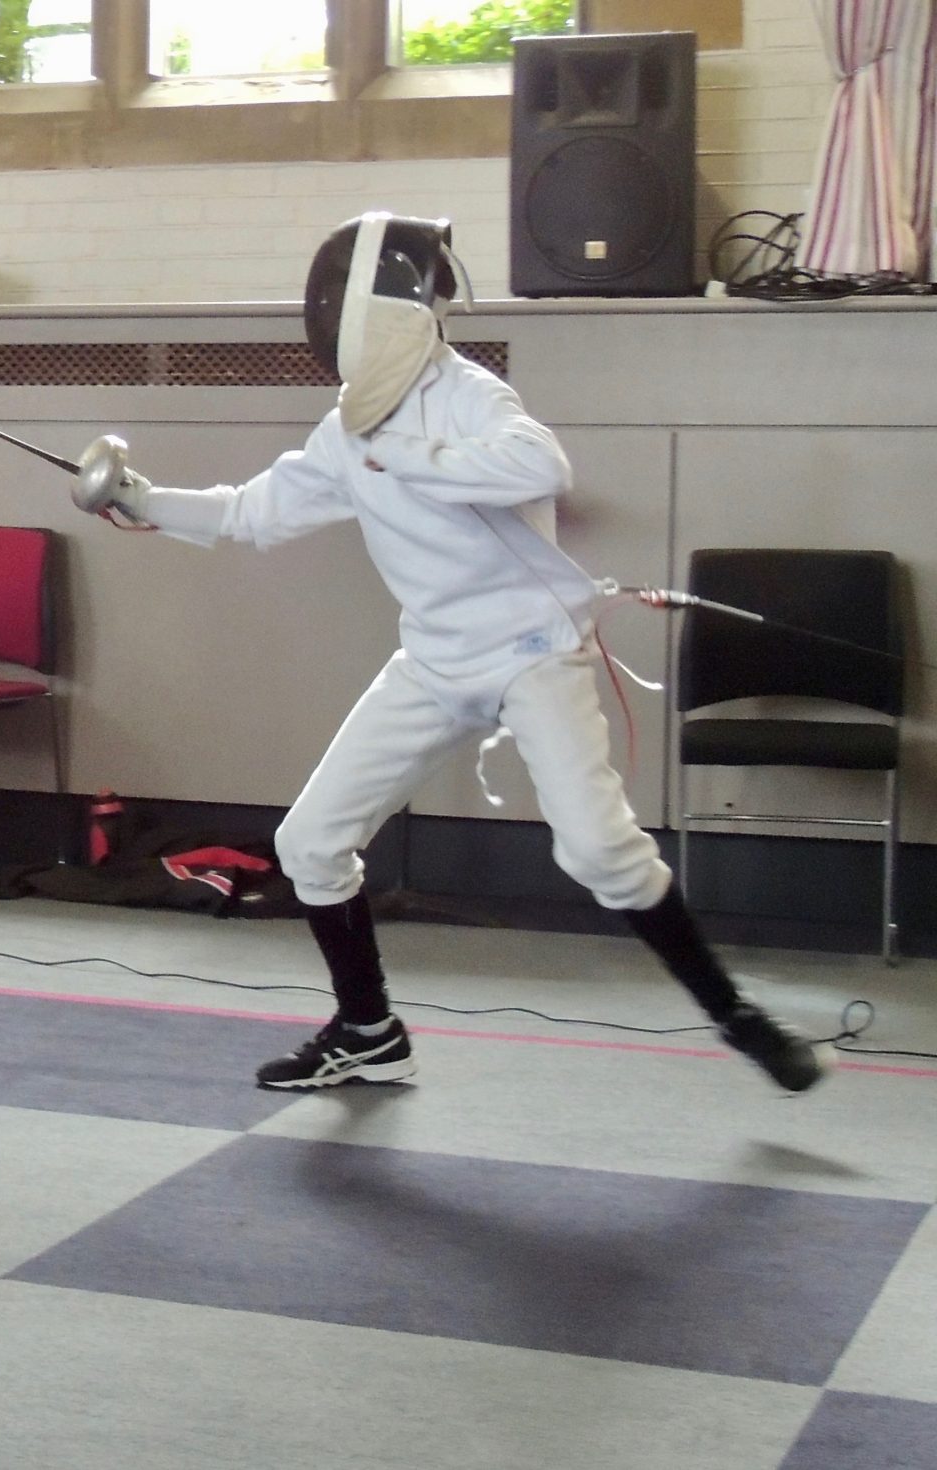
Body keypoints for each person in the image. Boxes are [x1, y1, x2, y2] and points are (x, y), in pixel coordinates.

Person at [75, 211, 829, 1094]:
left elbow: (538, 465)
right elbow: (251, 512)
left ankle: (738, 1019)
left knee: (599, 852)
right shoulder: (346, 427)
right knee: (311, 843)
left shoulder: (467, 392)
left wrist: (407, 455)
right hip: (433, 664)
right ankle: (368, 1029)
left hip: (533, 655)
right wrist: (140, 496)